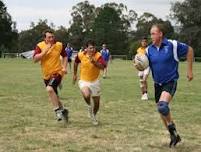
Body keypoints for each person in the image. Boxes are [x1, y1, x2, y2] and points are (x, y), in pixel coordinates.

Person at [146, 24, 194, 147]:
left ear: (160, 34)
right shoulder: (148, 50)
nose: (151, 36)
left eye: (153, 33)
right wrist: (138, 65)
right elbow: (145, 64)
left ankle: (172, 130)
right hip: (157, 84)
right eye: (151, 33)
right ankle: (174, 135)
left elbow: (190, 50)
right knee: (162, 111)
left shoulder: (172, 45)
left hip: (170, 81)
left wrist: (189, 70)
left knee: (163, 107)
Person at [33, 30, 69, 122]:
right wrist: (45, 51)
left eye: (53, 37)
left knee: (49, 89)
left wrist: (64, 67)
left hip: (57, 72)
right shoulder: (40, 46)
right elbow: (35, 59)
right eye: (49, 37)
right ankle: (64, 111)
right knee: (55, 96)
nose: (51, 39)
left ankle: (57, 111)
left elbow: (65, 56)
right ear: (45, 38)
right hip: (46, 75)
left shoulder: (59, 45)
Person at [73, 40, 106, 125]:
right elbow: (76, 62)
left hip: (95, 82)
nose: (92, 49)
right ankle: (89, 106)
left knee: (97, 103)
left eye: (94, 48)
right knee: (86, 94)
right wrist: (74, 74)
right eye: (90, 48)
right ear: (86, 48)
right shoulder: (81, 55)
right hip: (84, 80)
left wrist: (94, 62)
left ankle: (94, 116)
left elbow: (103, 67)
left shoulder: (98, 56)